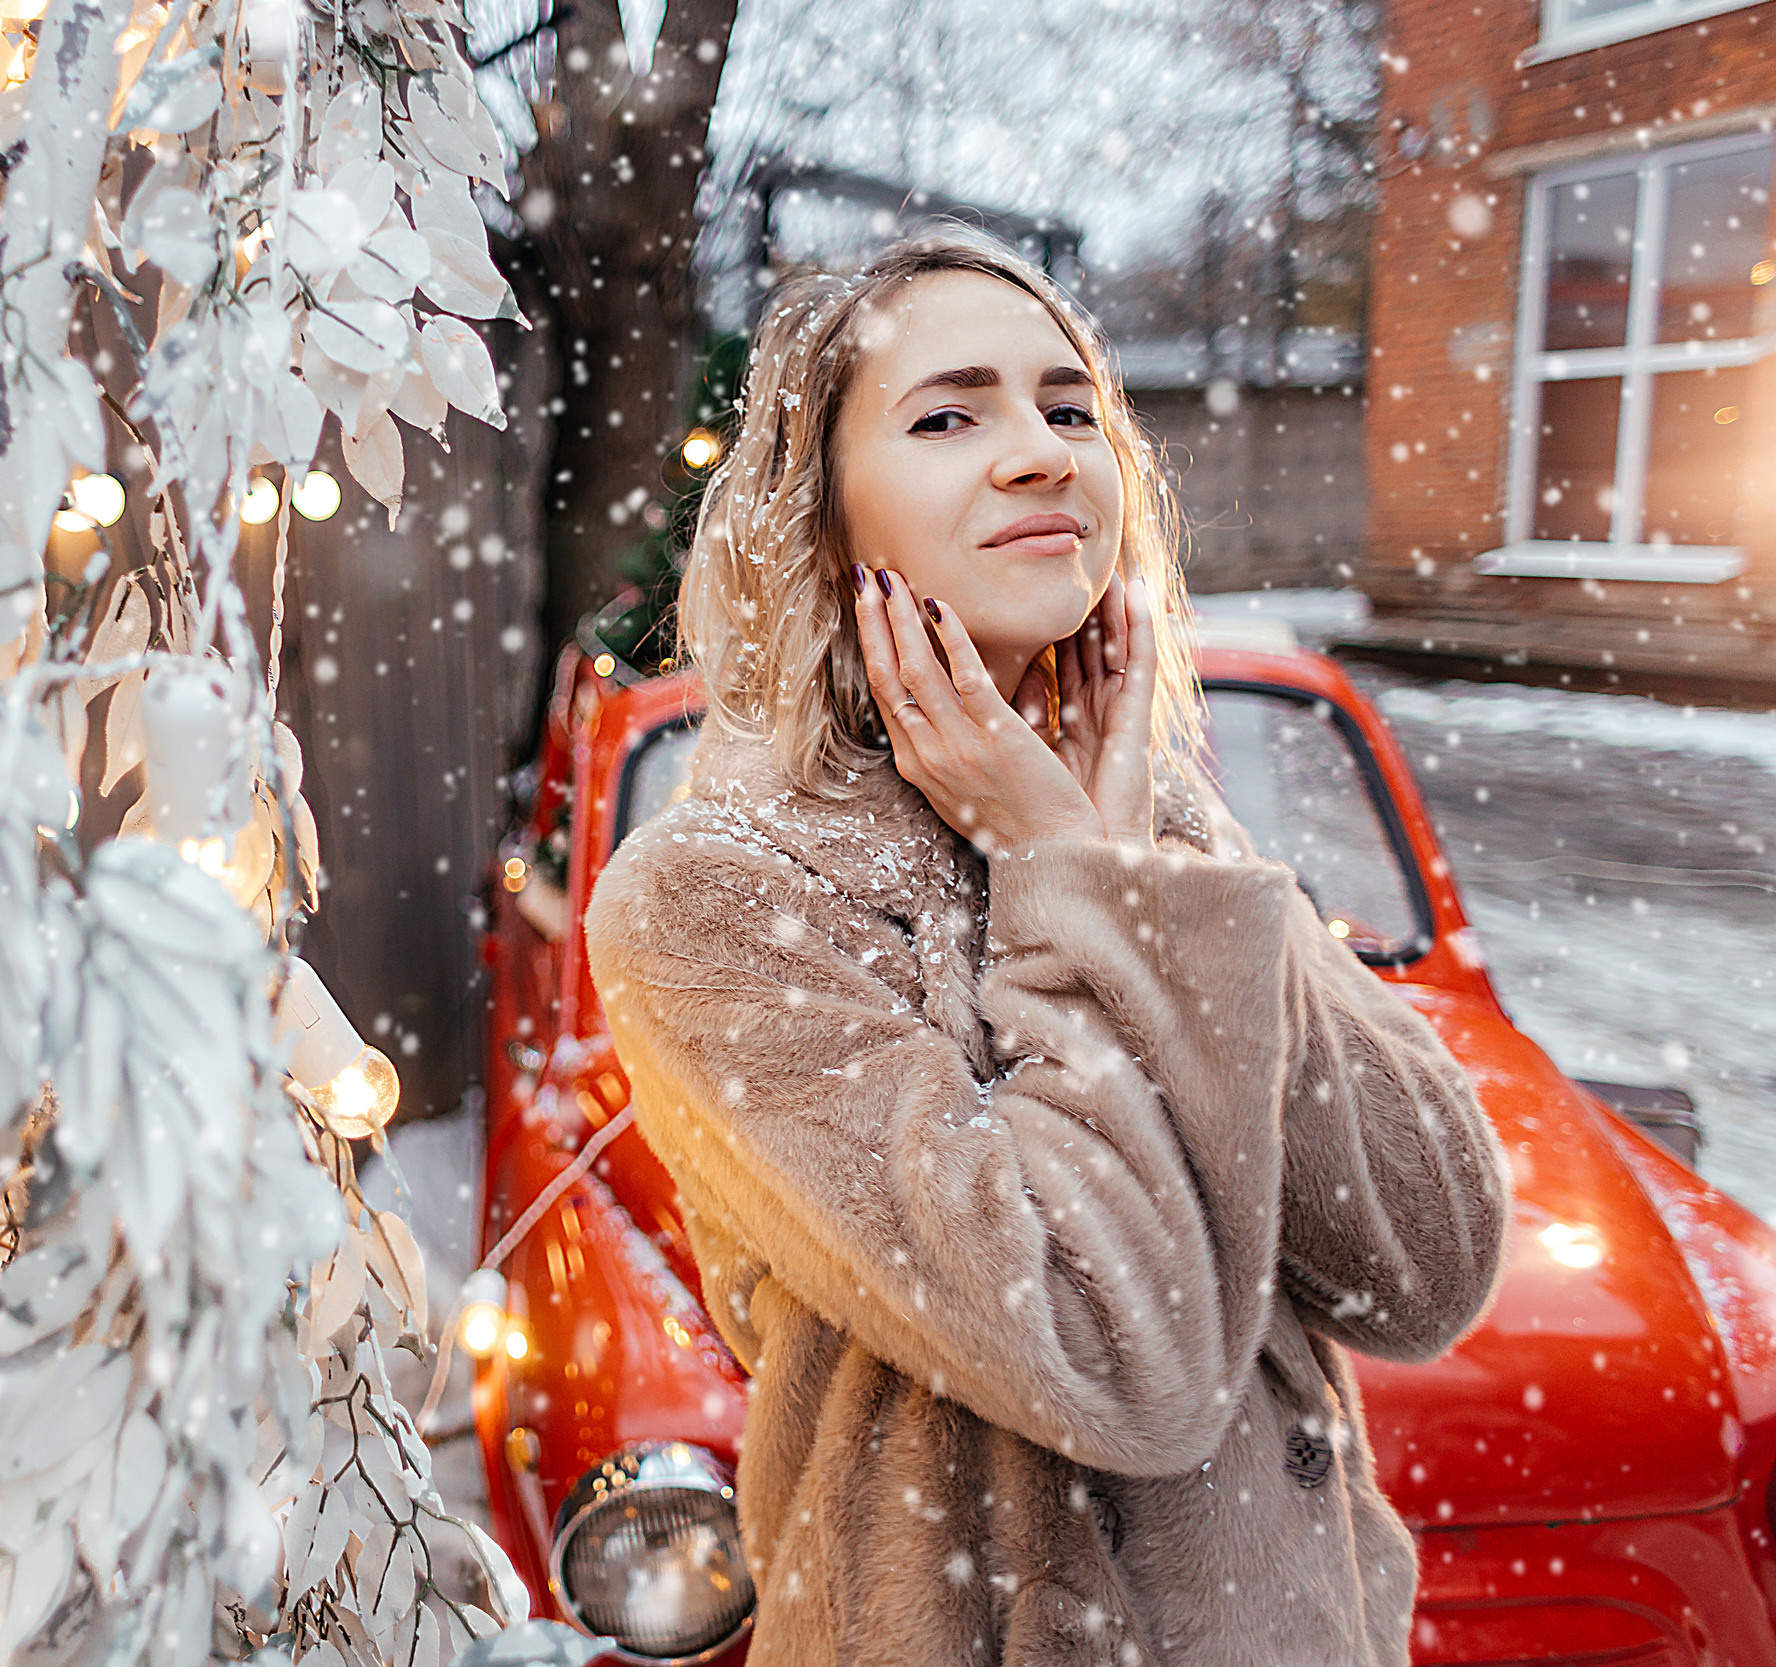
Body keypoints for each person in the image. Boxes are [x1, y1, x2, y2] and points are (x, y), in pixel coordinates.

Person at [584, 230, 1511, 1667]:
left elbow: (1427, 1260)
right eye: (948, 416)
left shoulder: (1158, 817)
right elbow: (1106, 1355)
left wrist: (1123, 860)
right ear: (820, 523)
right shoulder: (714, 898)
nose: (1038, 453)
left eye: (1069, 408)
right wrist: (1070, 879)